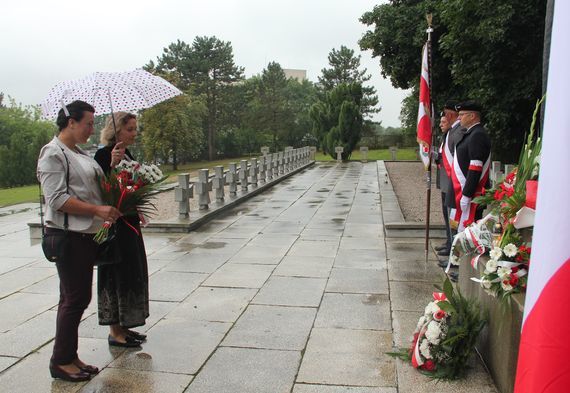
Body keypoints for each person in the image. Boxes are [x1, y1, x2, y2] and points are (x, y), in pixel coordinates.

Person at [37, 100, 122, 382]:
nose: (91, 128)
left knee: (74, 297)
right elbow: (57, 199)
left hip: (84, 235)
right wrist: (97, 210)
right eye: (87, 123)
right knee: (75, 298)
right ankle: (60, 361)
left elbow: (92, 188)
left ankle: (70, 356)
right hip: (67, 235)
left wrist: (111, 164)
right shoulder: (53, 153)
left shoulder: (78, 152)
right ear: (70, 122)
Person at [94, 112, 149, 348]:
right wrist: (112, 165)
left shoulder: (127, 152)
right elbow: (100, 188)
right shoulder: (103, 154)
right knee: (115, 273)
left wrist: (138, 201)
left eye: (135, 128)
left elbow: (128, 185)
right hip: (114, 224)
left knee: (130, 271)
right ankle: (114, 331)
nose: (134, 133)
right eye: (130, 129)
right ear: (116, 130)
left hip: (129, 222)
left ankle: (125, 326)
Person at [449, 100, 491, 233]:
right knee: (460, 230)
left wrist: (467, 194)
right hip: (463, 190)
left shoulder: (477, 134)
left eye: (462, 114)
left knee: (468, 233)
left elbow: (475, 167)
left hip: (470, 193)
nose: (459, 117)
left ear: (472, 116)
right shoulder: (471, 133)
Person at [433, 101, 461, 262]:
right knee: (446, 214)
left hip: (452, 181)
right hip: (446, 180)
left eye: (444, 119)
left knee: (452, 216)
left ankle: (453, 248)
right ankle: (449, 242)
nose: (442, 123)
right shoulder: (450, 133)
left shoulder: (456, 133)